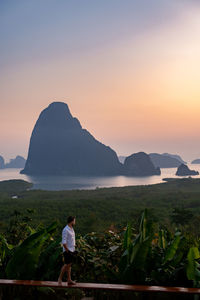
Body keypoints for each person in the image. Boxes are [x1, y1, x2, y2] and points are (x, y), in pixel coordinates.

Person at [58, 216, 76, 285]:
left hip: (72, 249)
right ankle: (60, 278)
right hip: (67, 250)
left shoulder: (71, 229)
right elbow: (64, 242)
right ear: (71, 221)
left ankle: (69, 279)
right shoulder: (66, 229)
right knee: (66, 265)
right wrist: (67, 250)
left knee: (69, 265)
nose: (75, 222)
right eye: (74, 220)